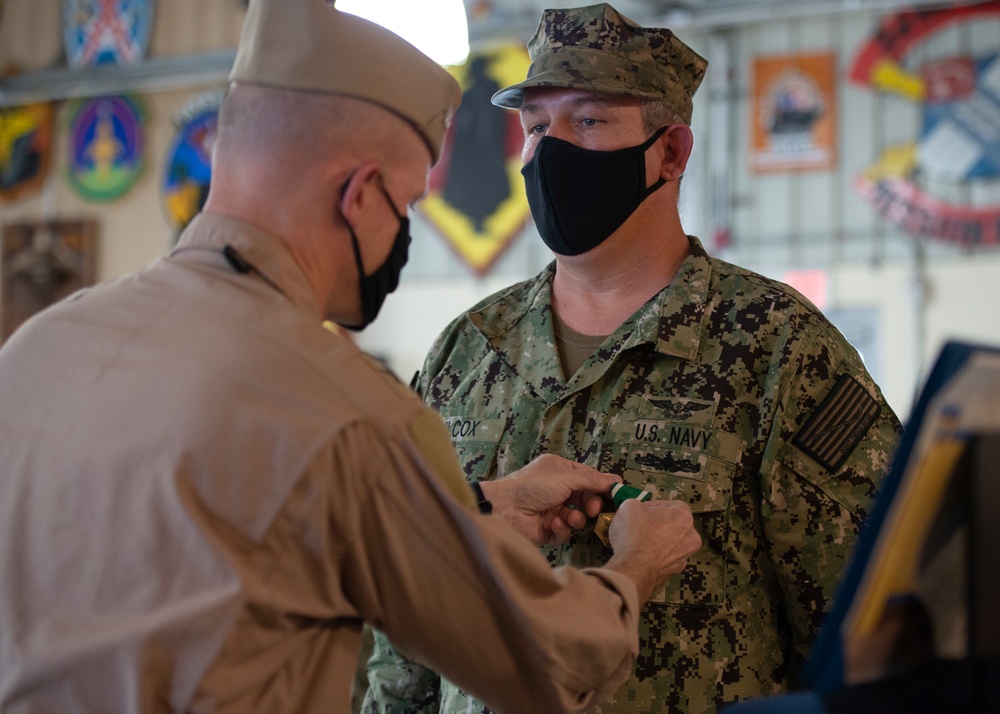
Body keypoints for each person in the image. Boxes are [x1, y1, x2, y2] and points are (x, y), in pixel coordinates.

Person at [0, 2, 705, 713]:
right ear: (359, 193)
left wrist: (475, 505)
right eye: (402, 205)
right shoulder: (348, 412)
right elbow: (550, 663)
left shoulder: (40, 349)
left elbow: (230, 540)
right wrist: (639, 562)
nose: (399, 232)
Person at [364, 4, 903, 713]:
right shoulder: (467, 351)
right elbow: (408, 621)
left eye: (588, 121)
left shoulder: (775, 347)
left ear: (671, 153)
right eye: (536, 128)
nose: (549, 152)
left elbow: (862, 633)